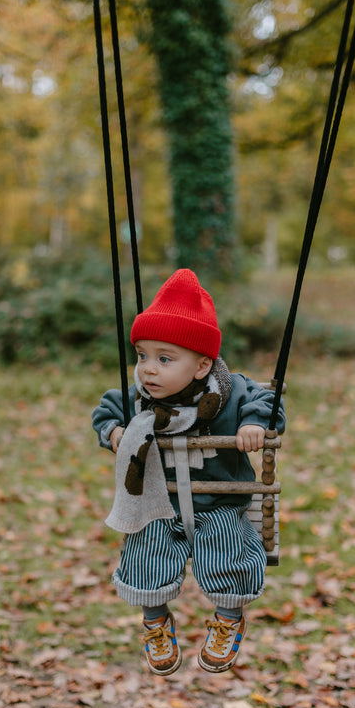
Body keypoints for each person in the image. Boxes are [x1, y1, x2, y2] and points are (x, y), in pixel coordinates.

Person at [92, 269, 285, 675]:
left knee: (231, 553)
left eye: (164, 359)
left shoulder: (231, 393)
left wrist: (252, 425)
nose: (148, 369)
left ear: (201, 366)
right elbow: (105, 411)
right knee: (146, 554)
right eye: (143, 356)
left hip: (219, 504)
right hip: (159, 503)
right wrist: (114, 431)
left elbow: (267, 403)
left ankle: (228, 620)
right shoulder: (139, 399)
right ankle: (155, 621)